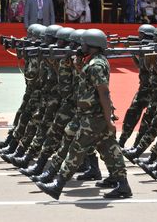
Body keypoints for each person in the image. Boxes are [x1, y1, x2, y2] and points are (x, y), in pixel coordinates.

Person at [35, 29, 133, 200]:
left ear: (92, 45)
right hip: (91, 115)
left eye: (84, 43)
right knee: (110, 150)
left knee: (76, 149)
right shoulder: (94, 61)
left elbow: (104, 93)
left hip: (94, 117)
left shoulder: (96, 65)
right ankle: (123, 186)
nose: (81, 46)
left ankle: (57, 185)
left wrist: (109, 119)